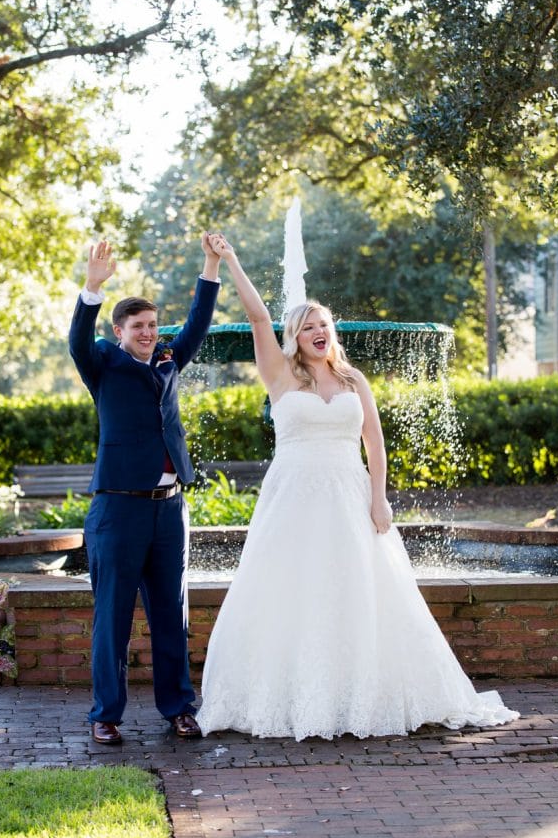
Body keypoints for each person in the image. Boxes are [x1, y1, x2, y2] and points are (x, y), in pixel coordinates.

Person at [196, 234, 519, 741]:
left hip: (350, 495)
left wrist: (379, 498)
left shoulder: (353, 380)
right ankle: (293, 697)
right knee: (294, 591)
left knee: (363, 592)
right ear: (295, 337)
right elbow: (259, 319)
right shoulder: (279, 377)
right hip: (294, 500)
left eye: (323, 324)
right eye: (307, 327)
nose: (318, 332)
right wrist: (229, 260)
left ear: (332, 331)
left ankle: (363, 694)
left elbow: (375, 444)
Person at [69, 234, 220, 744]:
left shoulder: (169, 361)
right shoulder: (103, 365)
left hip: (169, 510)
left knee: (170, 616)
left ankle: (179, 708)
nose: (149, 333)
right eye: (139, 327)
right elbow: (76, 340)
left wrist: (210, 264)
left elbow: (198, 322)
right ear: (119, 331)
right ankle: (105, 716)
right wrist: (91, 287)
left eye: (154, 326)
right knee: (112, 616)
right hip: (118, 510)